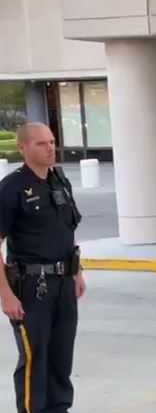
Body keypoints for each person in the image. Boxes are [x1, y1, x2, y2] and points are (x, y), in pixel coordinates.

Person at [0, 122, 87, 413]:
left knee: (61, 356)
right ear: (23, 147)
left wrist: (77, 271)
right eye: (41, 143)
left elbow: (66, 230)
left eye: (51, 141)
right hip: (31, 288)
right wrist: (6, 295)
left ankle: (59, 408)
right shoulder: (11, 188)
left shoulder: (59, 180)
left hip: (63, 284)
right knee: (34, 359)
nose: (50, 147)